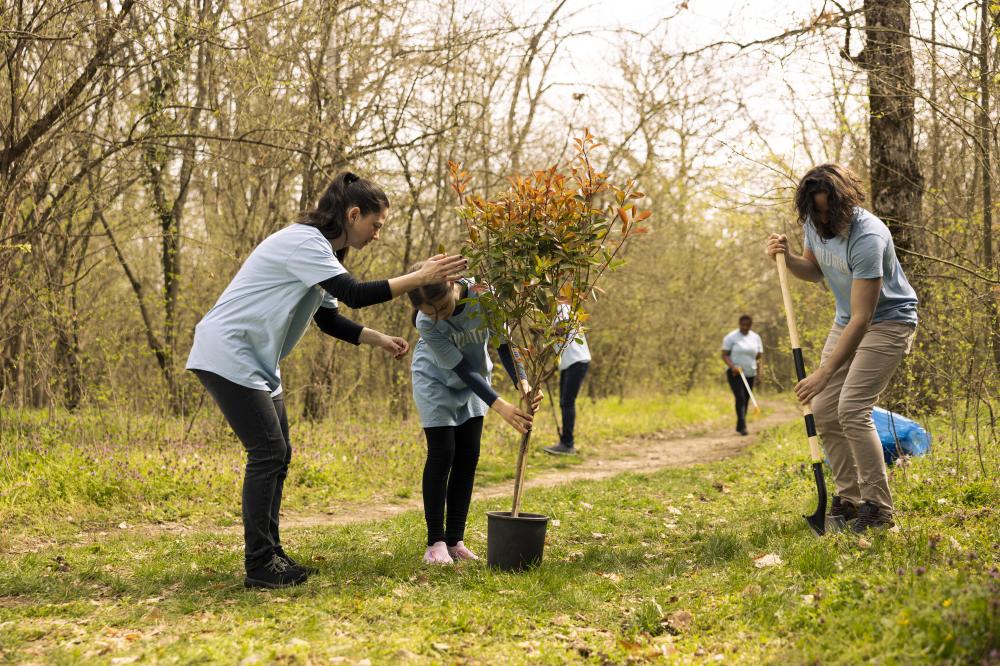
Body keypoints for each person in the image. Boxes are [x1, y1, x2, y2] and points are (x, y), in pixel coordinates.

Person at [186, 172, 467, 588]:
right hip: (229, 351)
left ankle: (272, 555)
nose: (376, 235)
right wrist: (420, 277)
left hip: (258, 361)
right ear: (354, 215)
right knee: (267, 452)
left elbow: (329, 316)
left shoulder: (324, 255)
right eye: (376, 225)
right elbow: (355, 293)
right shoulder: (304, 242)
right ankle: (260, 565)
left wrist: (377, 339)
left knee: (278, 455)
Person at [766, 163, 918, 534]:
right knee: (823, 409)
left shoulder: (868, 236)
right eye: (814, 211)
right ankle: (848, 499)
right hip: (847, 320)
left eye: (826, 211)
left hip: (889, 321)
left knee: (851, 407)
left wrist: (823, 372)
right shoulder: (814, 224)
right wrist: (786, 258)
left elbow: (863, 317)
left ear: (844, 203)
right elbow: (815, 270)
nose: (821, 218)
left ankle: (879, 508)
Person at [408, 273, 541, 564]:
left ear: (452, 285)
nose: (439, 318)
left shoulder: (485, 297)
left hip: (477, 379)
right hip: (435, 380)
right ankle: (435, 542)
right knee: (444, 453)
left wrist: (523, 382)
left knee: (468, 456)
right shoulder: (425, 322)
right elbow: (460, 367)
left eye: (442, 308)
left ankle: (455, 540)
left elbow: (504, 343)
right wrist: (499, 405)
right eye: (431, 313)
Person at [544, 298, 591, 455]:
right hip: (569, 363)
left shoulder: (561, 307)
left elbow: (561, 330)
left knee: (567, 402)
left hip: (577, 361)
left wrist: (542, 330)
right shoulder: (553, 312)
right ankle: (566, 442)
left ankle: (568, 444)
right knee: (564, 402)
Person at [721, 314, 764, 436]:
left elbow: (759, 357)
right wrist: (732, 366)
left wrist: (759, 374)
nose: (745, 327)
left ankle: (740, 424)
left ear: (751, 325)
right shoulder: (731, 337)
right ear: (739, 324)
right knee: (740, 398)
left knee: (746, 399)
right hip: (736, 373)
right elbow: (724, 355)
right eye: (743, 325)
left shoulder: (755, 337)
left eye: (748, 325)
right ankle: (742, 426)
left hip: (751, 373)